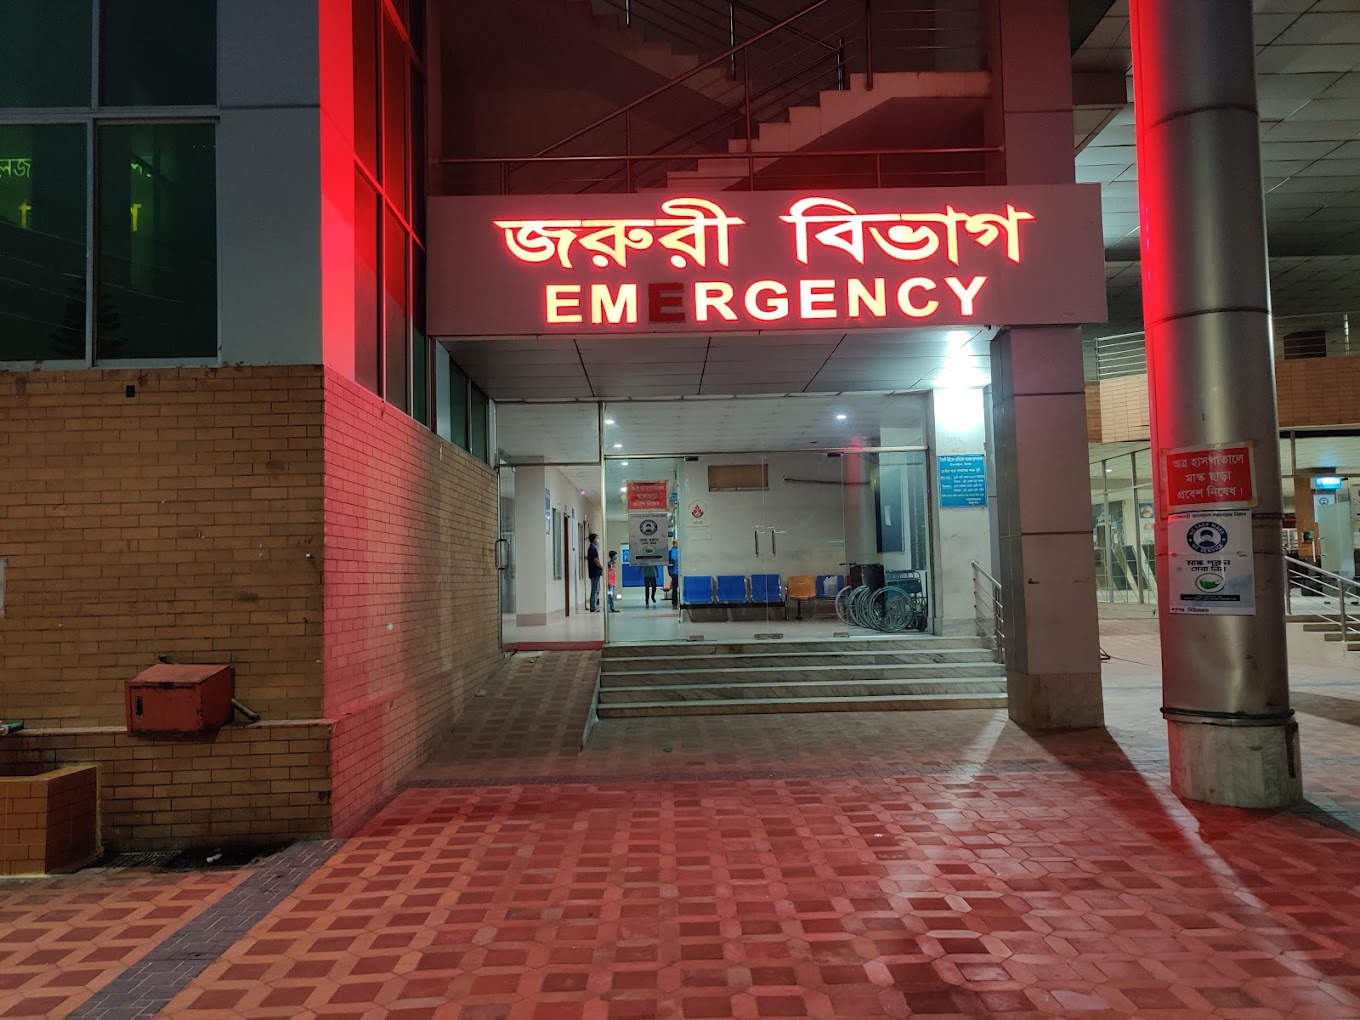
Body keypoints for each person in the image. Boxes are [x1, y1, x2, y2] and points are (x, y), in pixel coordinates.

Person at [586, 533, 603, 612]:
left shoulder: (593, 548)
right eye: (597, 538)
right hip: (594, 572)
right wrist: (601, 567)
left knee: (597, 589)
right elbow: (596, 560)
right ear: (593, 539)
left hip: (596, 572)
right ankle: (593, 607)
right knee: (595, 589)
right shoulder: (592, 549)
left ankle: (594, 606)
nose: (598, 540)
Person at [667, 539, 679, 607]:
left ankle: (674, 601)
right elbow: (673, 558)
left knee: (675, 587)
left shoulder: (673, 550)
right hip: (675, 572)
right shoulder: (674, 551)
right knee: (675, 587)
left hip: (674, 571)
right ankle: (674, 601)